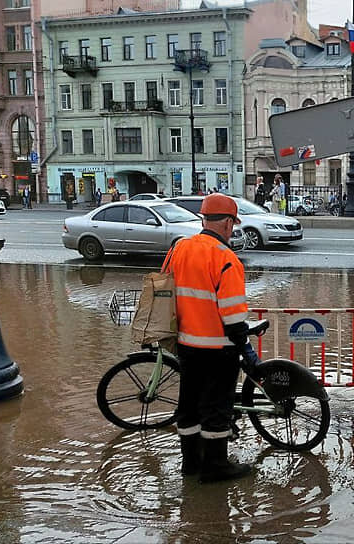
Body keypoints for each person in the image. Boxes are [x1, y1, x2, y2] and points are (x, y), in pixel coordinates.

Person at [162, 193, 254, 483]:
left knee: (189, 405)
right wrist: (244, 344)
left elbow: (165, 289)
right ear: (227, 223)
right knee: (216, 408)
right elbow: (233, 315)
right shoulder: (226, 258)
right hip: (217, 349)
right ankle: (215, 466)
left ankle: (190, 463)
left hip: (186, 345)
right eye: (232, 224)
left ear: (204, 219)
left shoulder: (180, 248)